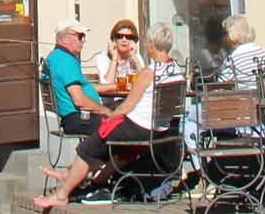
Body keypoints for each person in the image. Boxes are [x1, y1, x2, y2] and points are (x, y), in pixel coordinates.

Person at [37, 22, 182, 210]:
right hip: (159, 130)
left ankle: (62, 194)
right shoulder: (177, 70)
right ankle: (97, 182)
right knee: (115, 143)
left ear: (152, 44)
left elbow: (128, 106)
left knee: (89, 147)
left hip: (138, 127)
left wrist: (111, 115)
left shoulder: (148, 73)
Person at [38, 19, 111, 205]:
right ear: (66, 39)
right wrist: (105, 110)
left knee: (118, 128)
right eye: (80, 36)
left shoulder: (56, 58)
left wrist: (109, 88)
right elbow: (79, 99)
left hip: (72, 117)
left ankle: (72, 175)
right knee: (121, 133)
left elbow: (83, 88)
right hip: (78, 118)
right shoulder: (65, 61)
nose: (83, 41)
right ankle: (95, 184)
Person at [216, 13, 265, 89]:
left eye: (225, 33)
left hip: (243, 98)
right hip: (262, 96)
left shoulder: (234, 57)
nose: (224, 37)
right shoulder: (261, 51)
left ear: (232, 34)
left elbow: (221, 83)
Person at [94, 18, 145, 89]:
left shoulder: (136, 56)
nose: (124, 40)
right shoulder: (102, 58)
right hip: (111, 99)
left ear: (133, 41)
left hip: (132, 98)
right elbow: (106, 85)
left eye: (128, 37)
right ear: (114, 39)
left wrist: (134, 58)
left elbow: (146, 81)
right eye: (120, 36)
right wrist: (114, 59)